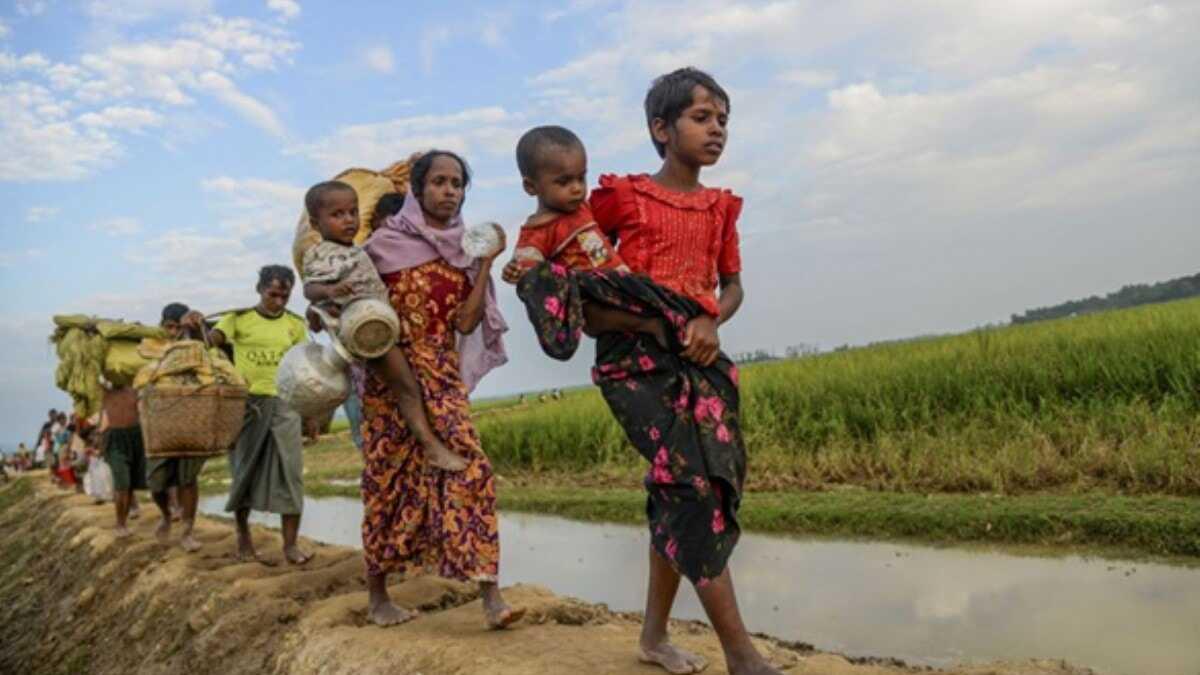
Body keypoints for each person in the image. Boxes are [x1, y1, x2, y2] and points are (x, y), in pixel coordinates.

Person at [506, 68, 775, 675]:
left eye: (723, 120)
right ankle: (743, 656)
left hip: (698, 358)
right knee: (690, 490)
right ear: (661, 128)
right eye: (702, 118)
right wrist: (576, 299)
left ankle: (653, 640)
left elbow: (731, 287)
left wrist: (711, 321)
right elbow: (564, 242)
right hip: (635, 366)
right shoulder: (619, 197)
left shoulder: (720, 208)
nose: (716, 130)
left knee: (684, 494)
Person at [356, 150, 522, 628]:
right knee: (387, 483)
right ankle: (378, 598)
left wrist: (486, 263)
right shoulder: (382, 247)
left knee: (472, 469)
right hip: (389, 380)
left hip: (442, 376)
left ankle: (490, 597)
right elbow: (360, 316)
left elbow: (467, 322)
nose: (449, 191)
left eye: (457, 183)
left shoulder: (465, 250)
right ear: (418, 189)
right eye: (439, 182)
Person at [301, 181, 465, 471]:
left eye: (352, 212)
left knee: (403, 389)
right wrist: (330, 292)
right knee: (405, 387)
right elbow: (310, 288)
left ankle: (420, 449)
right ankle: (431, 447)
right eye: (337, 214)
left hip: (377, 324)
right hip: (365, 331)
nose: (349, 220)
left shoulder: (352, 249)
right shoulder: (321, 254)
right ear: (316, 223)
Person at [205, 266, 312, 565]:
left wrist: (312, 413)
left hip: (286, 403)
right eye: (272, 294)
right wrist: (197, 328)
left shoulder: (294, 324)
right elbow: (211, 339)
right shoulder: (238, 319)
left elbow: (303, 366)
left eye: (284, 295)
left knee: (291, 473)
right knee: (244, 470)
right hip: (246, 405)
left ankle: (290, 545)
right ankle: (243, 537)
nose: (278, 301)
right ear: (259, 289)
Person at [143, 302, 210, 552]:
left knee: (188, 479)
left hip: (191, 419)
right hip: (159, 421)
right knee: (157, 483)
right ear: (162, 326)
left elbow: (215, 347)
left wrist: (199, 326)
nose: (174, 332)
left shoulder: (196, 345)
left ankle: (188, 531)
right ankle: (166, 514)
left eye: (177, 327)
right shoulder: (153, 346)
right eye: (169, 327)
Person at [99, 380, 148, 538]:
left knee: (130, 485)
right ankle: (120, 524)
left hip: (136, 436)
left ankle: (124, 521)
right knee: (122, 482)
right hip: (115, 439)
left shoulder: (135, 390)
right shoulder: (104, 391)